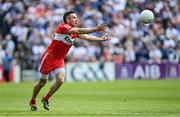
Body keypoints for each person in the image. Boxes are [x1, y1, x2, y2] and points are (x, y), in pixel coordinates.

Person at [29, 10, 110, 111]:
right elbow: (79, 31)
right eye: (74, 17)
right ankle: (32, 100)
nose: (76, 19)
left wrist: (100, 39)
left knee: (60, 80)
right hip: (49, 58)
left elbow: (84, 36)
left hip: (59, 59)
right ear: (67, 19)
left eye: (76, 17)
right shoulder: (63, 27)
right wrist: (96, 29)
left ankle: (46, 98)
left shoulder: (73, 30)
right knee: (42, 83)